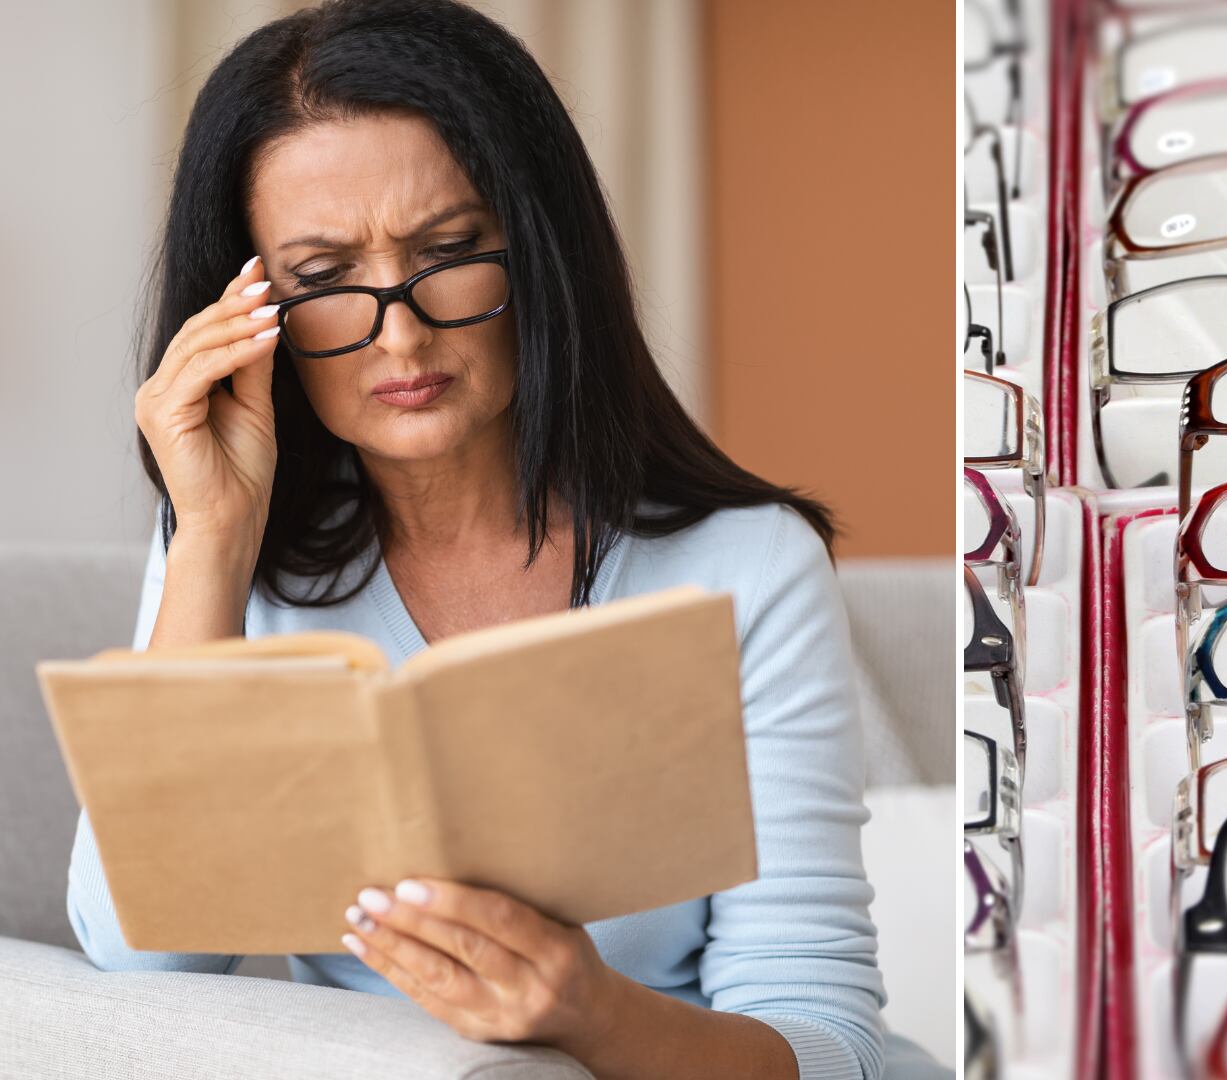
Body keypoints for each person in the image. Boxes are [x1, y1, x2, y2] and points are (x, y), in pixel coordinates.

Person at [68, 1, 914, 1076]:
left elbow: (831, 1048)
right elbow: (141, 969)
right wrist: (212, 540)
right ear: (253, 312)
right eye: (325, 279)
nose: (402, 333)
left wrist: (592, 1013)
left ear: (539, 250)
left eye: (450, 250)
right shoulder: (232, 552)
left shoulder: (744, 562)